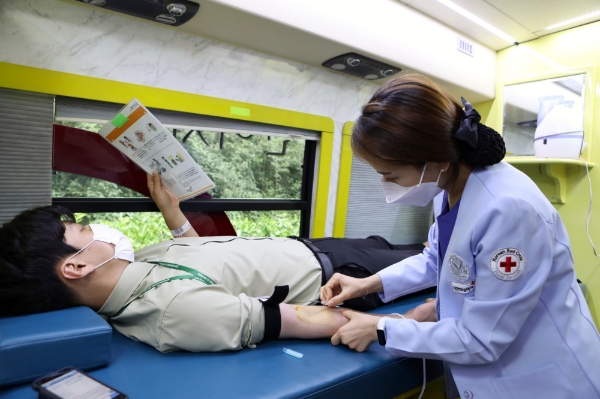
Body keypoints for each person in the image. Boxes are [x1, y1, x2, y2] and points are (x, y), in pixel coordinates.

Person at [320, 73, 600, 399]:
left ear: (435, 161)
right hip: (479, 371)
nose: (387, 184)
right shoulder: (447, 187)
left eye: (391, 175)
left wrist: (380, 328)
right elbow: (440, 260)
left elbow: (482, 340)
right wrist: (367, 284)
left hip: (542, 382)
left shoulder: (509, 209)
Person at [0, 172, 435, 353]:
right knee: (444, 261)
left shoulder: (127, 271)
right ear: (75, 267)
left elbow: (199, 259)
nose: (96, 228)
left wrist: (172, 213)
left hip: (312, 245)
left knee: (427, 249)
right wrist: (394, 324)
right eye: (82, 231)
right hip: (339, 274)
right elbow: (297, 318)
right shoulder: (173, 313)